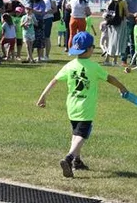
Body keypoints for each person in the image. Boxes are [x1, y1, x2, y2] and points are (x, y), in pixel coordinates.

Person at [36, 31, 128, 179]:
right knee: (82, 135)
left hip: (72, 106)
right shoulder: (93, 66)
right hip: (86, 107)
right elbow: (109, 78)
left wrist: (43, 97)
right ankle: (69, 158)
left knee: (76, 134)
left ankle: (77, 162)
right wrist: (122, 87)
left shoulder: (70, 65)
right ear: (89, 49)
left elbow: (54, 80)